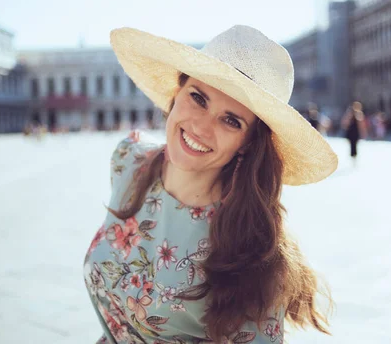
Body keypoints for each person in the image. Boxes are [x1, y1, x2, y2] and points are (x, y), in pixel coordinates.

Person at [83, 26, 338, 343]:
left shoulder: (251, 251)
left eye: (231, 120)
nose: (201, 127)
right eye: (198, 98)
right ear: (177, 93)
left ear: (246, 143)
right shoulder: (128, 159)